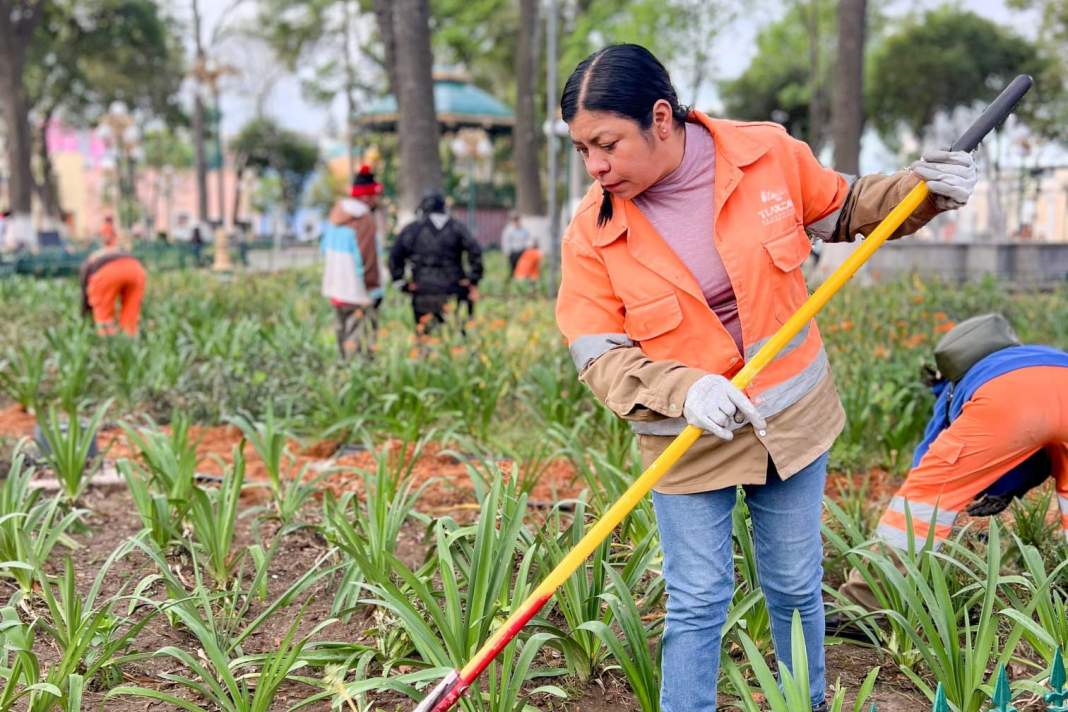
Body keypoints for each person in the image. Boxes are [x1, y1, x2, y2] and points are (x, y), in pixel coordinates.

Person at [553, 44, 978, 711]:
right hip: (685, 437)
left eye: (606, 144)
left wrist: (922, 191)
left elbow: (846, 208)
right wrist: (682, 389)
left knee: (793, 583)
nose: (595, 166)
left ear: (661, 118)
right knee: (696, 598)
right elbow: (598, 354)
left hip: (792, 418)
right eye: (581, 150)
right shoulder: (592, 231)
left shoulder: (764, 155)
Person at [835, 313, 1068, 614]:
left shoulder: (957, 385)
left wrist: (937, 483)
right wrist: (1008, 487)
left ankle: (864, 606)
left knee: (921, 504)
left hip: (1004, 400)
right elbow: (1041, 446)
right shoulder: (1039, 355)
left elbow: (932, 453)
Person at [389, 191, 483, 335]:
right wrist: (472, 278)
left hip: (422, 290)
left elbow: (395, 255)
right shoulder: (456, 227)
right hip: (453, 288)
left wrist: (401, 282)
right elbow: (475, 250)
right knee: (455, 335)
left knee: (425, 335)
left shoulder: (413, 229)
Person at [322, 164, 384, 358]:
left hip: (336, 289)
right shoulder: (364, 220)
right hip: (359, 291)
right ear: (367, 196)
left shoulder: (335, 217)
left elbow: (324, 248)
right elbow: (368, 257)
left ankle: (342, 374)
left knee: (343, 336)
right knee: (360, 342)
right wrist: (373, 287)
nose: (377, 199)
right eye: (375, 195)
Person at [79, 218, 146, 336]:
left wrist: (85, 313)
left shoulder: (93, 258)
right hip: (136, 269)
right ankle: (129, 344)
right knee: (130, 316)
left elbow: (85, 293)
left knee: (103, 317)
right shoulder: (117, 248)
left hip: (107, 271)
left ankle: (108, 346)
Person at [500, 210, 533, 281]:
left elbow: (528, 240)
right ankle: (513, 280)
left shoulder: (524, 230)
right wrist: (507, 252)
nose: (516, 221)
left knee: (523, 269)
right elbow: (506, 242)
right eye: (514, 219)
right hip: (513, 253)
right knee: (513, 269)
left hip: (522, 252)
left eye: (517, 219)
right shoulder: (508, 230)